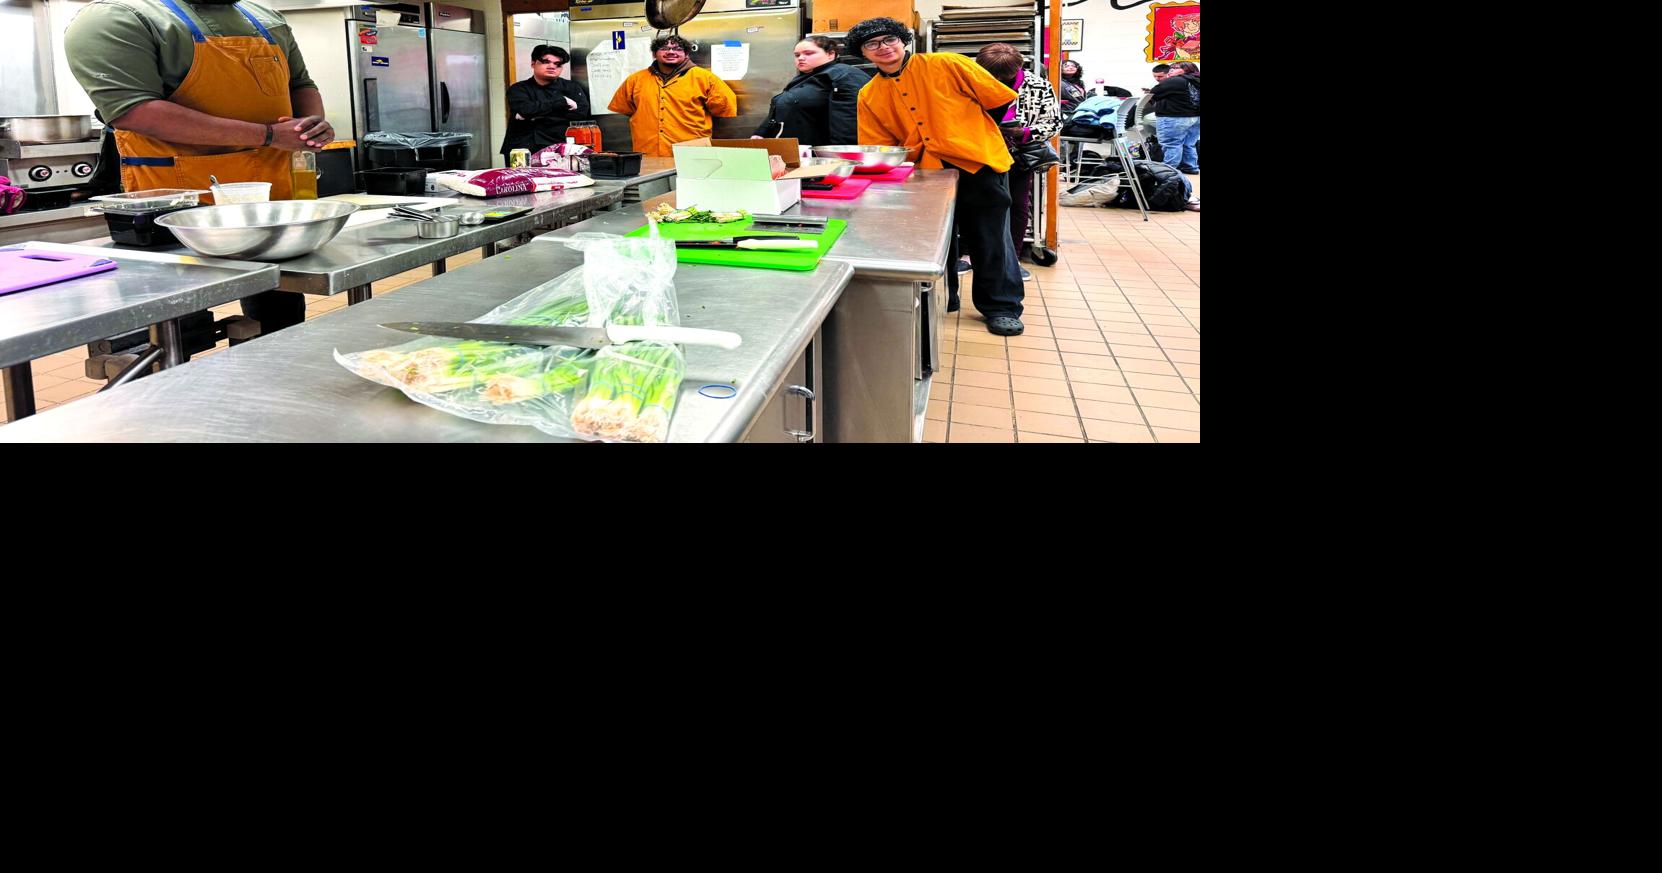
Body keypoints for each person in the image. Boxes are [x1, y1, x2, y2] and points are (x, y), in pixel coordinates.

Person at [66, 0, 336, 336]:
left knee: (280, 316)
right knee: (177, 327)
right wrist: (268, 135)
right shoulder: (118, 17)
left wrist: (310, 125)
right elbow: (134, 111)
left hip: (269, 197)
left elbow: (300, 84)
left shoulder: (265, 17)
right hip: (176, 203)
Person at [850, 16, 1025, 337]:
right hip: (927, 176)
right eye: (872, 44)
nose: (883, 48)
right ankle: (948, 296)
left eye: (889, 39)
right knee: (937, 244)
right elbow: (880, 146)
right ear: (864, 53)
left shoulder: (947, 63)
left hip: (979, 165)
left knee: (990, 239)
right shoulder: (869, 94)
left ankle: (1001, 306)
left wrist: (971, 134)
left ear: (903, 41)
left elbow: (998, 100)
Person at [974, 43, 1062, 280]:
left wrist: (1024, 133)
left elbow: (1054, 123)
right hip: (977, 151)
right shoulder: (970, 81)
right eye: (991, 75)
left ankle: (1009, 256)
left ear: (1019, 67)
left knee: (1016, 203)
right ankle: (969, 254)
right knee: (974, 203)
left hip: (1018, 154)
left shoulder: (1038, 85)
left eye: (1005, 76)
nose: (998, 80)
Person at [607, 34, 737, 157]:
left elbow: (724, 109)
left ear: (686, 54)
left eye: (677, 49)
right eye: (664, 48)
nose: (670, 52)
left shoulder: (705, 78)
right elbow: (624, 107)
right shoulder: (636, 79)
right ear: (654, 54)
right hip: (649, 153)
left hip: (691, 153)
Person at [750, 36, 869, 145]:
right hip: (793, 152)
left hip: (821, 155)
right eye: (797, 55)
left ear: (830, 54)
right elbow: (781, 108)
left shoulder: (844, 75)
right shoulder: (802, 78)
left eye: (809, 53)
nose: (801, 58)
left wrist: (840, 155)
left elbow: (849, 121)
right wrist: (761, 133)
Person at [502, 45, 591, 157]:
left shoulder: (572, 87)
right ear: (533, 63)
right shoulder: (519, 88)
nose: (552, 66)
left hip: (560, 148)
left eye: (558, 64)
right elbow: (526, 109)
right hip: (523, 149)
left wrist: (535, 114)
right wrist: (562, 102)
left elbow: (581, 114)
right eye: (545, 62)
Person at [1150, 60, 1199, 175]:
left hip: (1174, 117)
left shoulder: (1175, 80)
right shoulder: (1196, 80)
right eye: (1171, 68)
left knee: (1171, 144)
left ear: (1186, 70)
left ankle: (1169, 171)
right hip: (1195, 117)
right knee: (1189, 144)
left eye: (1175, 68)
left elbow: (1154, 93)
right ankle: (1191, 167)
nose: (1171, 70)